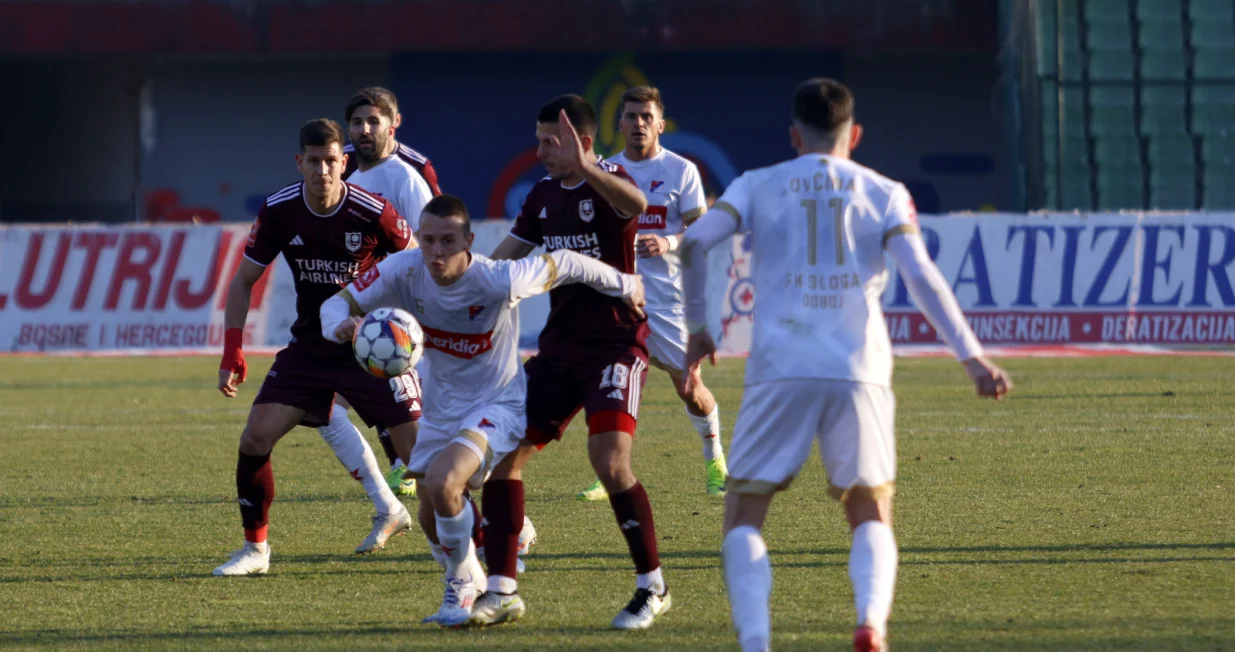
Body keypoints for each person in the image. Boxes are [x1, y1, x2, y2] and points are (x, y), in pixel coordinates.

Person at [680, 78, 1013, 652]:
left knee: (744, 514)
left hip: (780, 367)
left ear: (793, 135)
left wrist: (698, 327)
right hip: (858, 368)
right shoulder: (883, 190)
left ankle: (757, 642)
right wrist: (972, 356)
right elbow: (920, 274)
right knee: (869, 509)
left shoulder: (756, 184)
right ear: (854, 134)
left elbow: (691, 245)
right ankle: (869, 625)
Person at [320, 195, 646, 626]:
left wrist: (627, 284)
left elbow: (566, 261)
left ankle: (465, 586)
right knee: (430, 516)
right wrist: (340, 325)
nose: (438, 252)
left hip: (498, 403)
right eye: (430, 240)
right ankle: (482, 566)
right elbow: (334, 303)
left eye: (449, 241)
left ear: (469, 240)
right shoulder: (404, 268)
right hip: (441, 408)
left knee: (442, 483)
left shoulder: (497, 279)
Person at [474, 95, 671, 631]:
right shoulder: (541, 196)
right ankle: (502, 589)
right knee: (504, 458)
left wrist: (587, 167)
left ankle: (652, 586)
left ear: (581, 143)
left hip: (614, 345)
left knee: (609, 463)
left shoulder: (607, 182)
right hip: (559, 350)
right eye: (537, 140)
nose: (539, 152)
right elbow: (505, 257)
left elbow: (634, 204)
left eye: (550, 142)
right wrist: (463, 284)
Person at [213, 118, 422, 576]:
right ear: (299, 162)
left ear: (344, 163)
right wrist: (233, 351)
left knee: (423, 460)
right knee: (255, 438)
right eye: (314, 161)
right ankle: (255, 551)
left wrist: (395, 327)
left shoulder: (374, 211)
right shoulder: (280, 210)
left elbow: (418, 266)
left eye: (331, 161)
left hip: (370, 349)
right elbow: (243, 281)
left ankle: (494, 534)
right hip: (309, 348)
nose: (323, 170)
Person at [576, 85, 728, 501]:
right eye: (631, 116)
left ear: (661, 124)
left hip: (666, 299)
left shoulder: (681, 171)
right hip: (616, 298)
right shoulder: (604, 171)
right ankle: (607, 471)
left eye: (647, 116)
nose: (639, 123)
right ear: (619, 123)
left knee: (689, 388)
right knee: (609, 382)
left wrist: (669, 242)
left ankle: (715, 457)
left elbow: (704, 229)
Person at [334, 86, 437, 497]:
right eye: (357, 122)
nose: (363, 130)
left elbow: (430, 247)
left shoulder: (406, 180)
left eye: (373, 121)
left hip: (403, 321)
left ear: (393, 125)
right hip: (368, 314)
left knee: (427, 428)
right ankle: (392, 490)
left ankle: (508, 519)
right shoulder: (348, 175)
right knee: (329, 406)